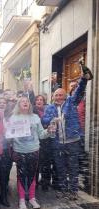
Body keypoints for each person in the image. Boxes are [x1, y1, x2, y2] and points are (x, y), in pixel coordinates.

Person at [42, 69, 92, 200]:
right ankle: (63, 189)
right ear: (53, 97)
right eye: (56, 95)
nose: (58, 97)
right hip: (57, 143)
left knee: (73, 168)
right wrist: (53, 120)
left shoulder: (71, 102)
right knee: (60, 168)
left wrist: (84, 79)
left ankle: (73, 191)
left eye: (60, 95)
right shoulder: (50, 108)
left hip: (73, 142)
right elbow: (45, 120)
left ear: (65, 96)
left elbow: (79, 91)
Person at [8, 96, 51, 209]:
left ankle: (32, 198)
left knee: (32, 175)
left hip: (34, 150)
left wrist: (49, 131)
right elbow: (9, 135)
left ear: (30, 105)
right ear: (18, 105)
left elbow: (41, 134)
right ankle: (22, 199)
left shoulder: (35, 117)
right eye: (22, 101)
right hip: (19, 150)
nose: (25, 102)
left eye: (27, 101)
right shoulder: (13, 118)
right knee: (21, 175)